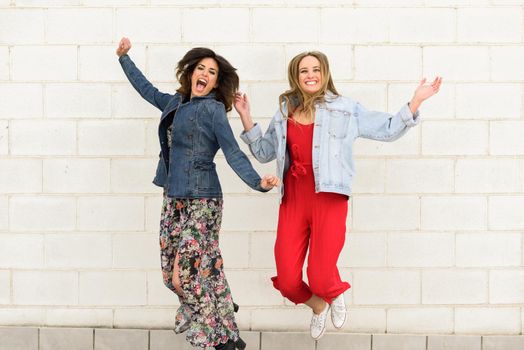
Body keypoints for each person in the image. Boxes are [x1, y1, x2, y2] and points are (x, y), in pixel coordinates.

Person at [234, 51, 441, 340]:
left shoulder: (345, 109)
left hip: (329, 197)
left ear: (325, 73)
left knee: (319, 274)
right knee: (288, 280)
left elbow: (389, 130)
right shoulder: (284, 112)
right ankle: (319, 306)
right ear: (296, 76)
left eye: (316, 69)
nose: (310, 75)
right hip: (293, 200)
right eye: (303, 70)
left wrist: (416, 100)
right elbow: (264, 152)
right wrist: (245, 116)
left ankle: (333, 292)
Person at [116, 37, 279, 350]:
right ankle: (224, 317)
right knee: (173, 274)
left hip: (204, 200)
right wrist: (124, 58)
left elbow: (233, 153)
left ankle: (215, 337)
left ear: (217, 82)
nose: (205, 74)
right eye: (201, 68)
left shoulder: (214, 110)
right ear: (191, 73)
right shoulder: (174, 103)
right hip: (172, 198)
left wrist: (257, 183)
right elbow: (145, 88)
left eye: (213, 72)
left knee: (186, 277)